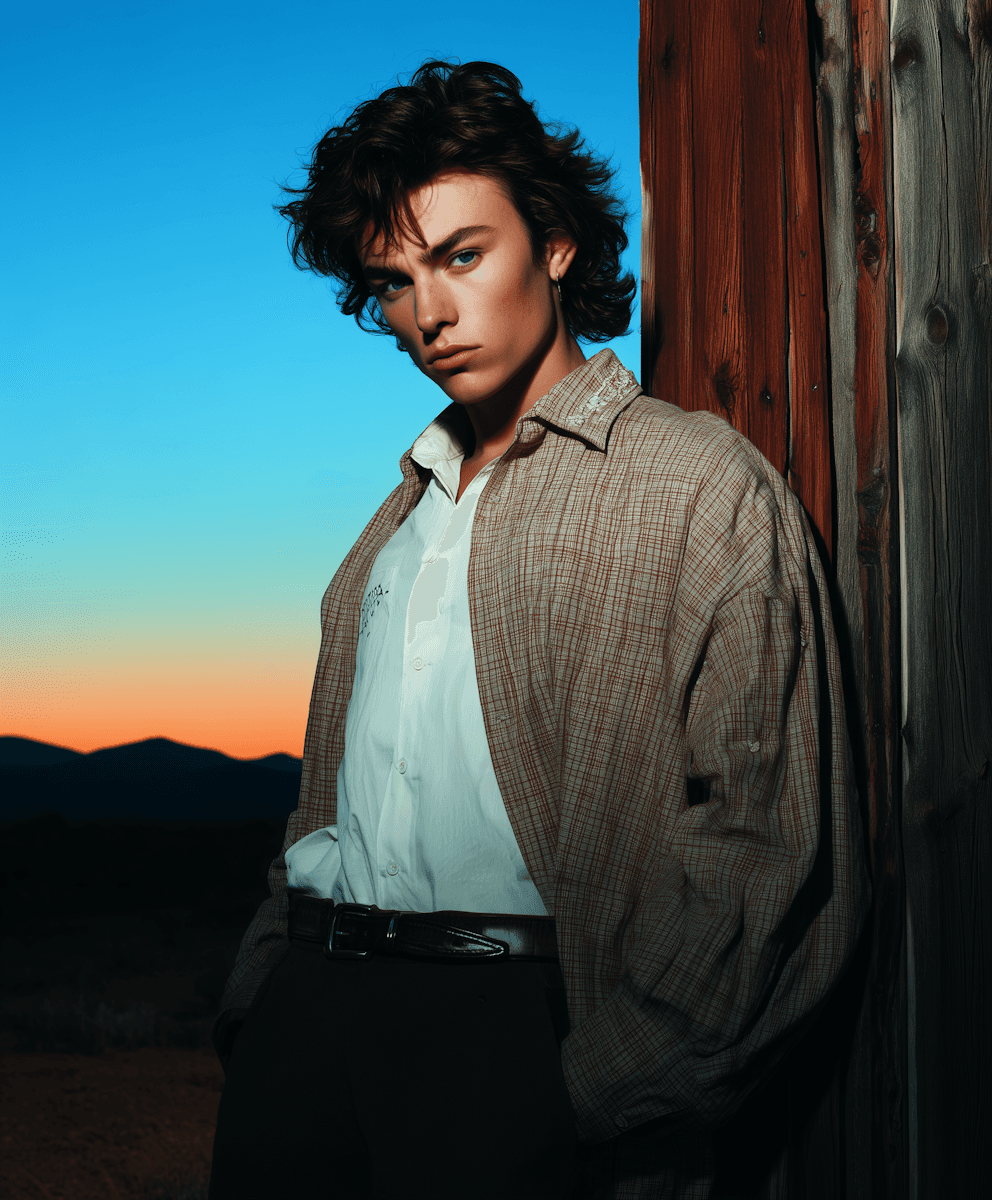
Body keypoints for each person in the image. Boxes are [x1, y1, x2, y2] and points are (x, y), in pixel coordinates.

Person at [208, 60, 869, 1200]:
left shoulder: (693, 484)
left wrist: (585, 1088)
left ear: (553, 244)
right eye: (391, 281)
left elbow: (772, 849)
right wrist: (261, 999)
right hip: (310, 1031)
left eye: (462, 255)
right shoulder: (392, 524)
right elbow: (328, 807)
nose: (427, 314)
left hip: (514, 1036)